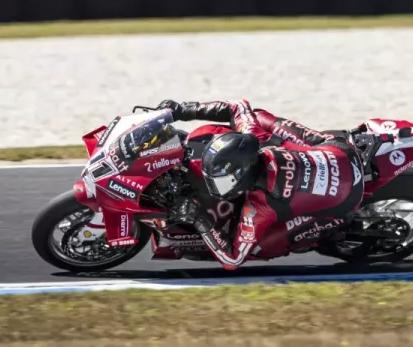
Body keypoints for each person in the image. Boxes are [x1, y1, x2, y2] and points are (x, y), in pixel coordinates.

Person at [155, 98, 366, 271]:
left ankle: (320, 235)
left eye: (223, 182)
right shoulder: (254, 136)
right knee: (259, 116)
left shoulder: (260, 206)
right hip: (340, 149)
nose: (217, 189)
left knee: (263, 247)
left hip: (345, 199)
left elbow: (233, 259)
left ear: (242, 175)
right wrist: (183, 110)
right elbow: (237, 106)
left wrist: (199, 219)